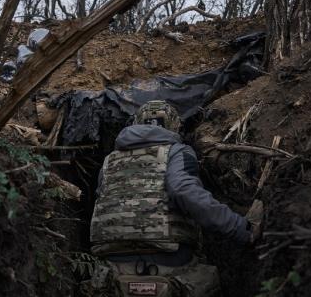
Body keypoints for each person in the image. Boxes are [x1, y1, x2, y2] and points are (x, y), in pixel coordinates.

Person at [86, 100, 263, 297]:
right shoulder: (177, 151)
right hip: (171, 263)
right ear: (173, 125)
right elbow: (183, 190)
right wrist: (240, 228)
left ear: (135, 123)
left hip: (113, 268)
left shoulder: (109, 160)